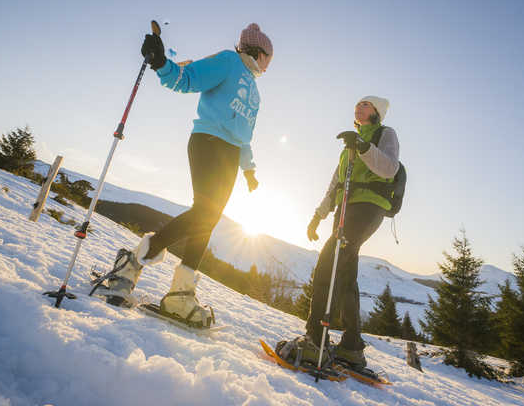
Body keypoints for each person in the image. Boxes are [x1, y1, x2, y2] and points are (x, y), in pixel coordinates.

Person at [103, 23, 273, 328]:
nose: (269, 65)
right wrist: (160, 63)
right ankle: (131, 262)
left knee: (207, 220)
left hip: (232, 155)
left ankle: (181, 294)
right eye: (268, 58)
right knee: (205, 213)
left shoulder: (256, 93)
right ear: (259, 53)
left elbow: (245, 136)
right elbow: (188, 79)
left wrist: (249, 170)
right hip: (208, 142)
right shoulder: (228, 62)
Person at [279, 96, 400, 369]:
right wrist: (317, 216)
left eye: (366, 104)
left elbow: (389, 168)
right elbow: (335, 185)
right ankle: (351, 348)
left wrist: (364, 147)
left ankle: (316, 341)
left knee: (327, 265)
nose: (359, 106)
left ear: (377, 112)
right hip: (344, 212)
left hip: (369, 207)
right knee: (345, 275)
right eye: (358, 103)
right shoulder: (348, 146)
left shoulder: (385, 134)